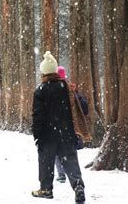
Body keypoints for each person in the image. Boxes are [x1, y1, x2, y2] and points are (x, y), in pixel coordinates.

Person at [31, 51, 86, 203]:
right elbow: (78, 109)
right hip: (66, 133)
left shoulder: (40, 91)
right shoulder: (66, 87)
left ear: (44, 72)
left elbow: (38, 116)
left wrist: (37, 135)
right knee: (70, 161)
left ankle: (46, 189)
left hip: (48, 135)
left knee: (46, 162)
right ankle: (78, 186)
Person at [55, 66, 88, 184]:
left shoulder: (53, 90)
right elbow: (84, 108)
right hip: (72, 129)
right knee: (71, 154)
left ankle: (62, 174)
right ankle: (75, 179)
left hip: (59, 128)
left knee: (57, 152)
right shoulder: (71, 90)